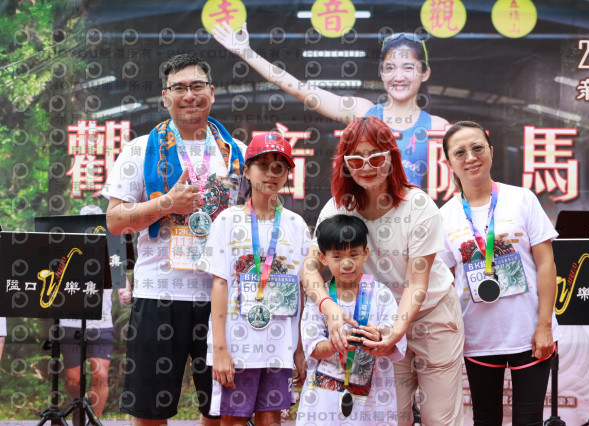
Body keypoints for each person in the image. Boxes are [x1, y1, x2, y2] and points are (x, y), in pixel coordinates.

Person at [103, 53, 246, 426]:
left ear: (212, 92)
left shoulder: (237, 153)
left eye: (197, 86)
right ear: (165, 97)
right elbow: (114, 221)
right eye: (179, 87)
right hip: (158, 293)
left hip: (221, 296)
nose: (189, 95)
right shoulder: (139, 149)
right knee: (149, 413)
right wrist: (167, 203)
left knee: (220, 411)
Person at [302, 116, 464, 426]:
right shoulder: (339, 207)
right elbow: (310, 268)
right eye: (356, 160)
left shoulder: (418, 206)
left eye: (376, 157)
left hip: (431, 315)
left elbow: (417, 283)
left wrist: (396, 333)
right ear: (344, 164)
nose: (367, 166)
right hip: (378, 322)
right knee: (392, 415)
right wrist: (330, 309)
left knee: (439, 418)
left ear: (392, 157)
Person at [211, 23, 447, 187]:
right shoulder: (363, 112)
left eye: (408, 67)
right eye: (390, 67)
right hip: (366, 225)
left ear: (425, 73)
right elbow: (298, 88)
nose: (398, 76)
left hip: (415, 227)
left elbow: (462, 179)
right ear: (382, 73)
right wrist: (246, 52)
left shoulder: (437, 127)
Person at [438, 121, 558, 425]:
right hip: (477, 336)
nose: (471, 157)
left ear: (491, 152)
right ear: (449, 162)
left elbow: (546, 264)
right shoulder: (445, 216)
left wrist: (544, 325)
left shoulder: (522, 199)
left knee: (529, 421)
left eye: (477, 148)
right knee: (485, 419)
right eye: (460, 152)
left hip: (530, 332)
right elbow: (444, 282)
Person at [198, 133, 309, 426]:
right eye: (263, 165)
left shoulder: (296, 225)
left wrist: (299, 349)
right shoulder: (227, 220)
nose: (271, 173)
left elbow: (300, 289)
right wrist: (220, 349)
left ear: (287, 174)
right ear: (246, 171)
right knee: (233, 419)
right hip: (237, 344)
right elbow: (219, 284)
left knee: (271, 419)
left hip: (279, 345)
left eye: (279, 167)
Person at [296, 214, 406, 425]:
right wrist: (338, 344)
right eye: (337, 256)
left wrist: (379, 341)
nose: (346, 263)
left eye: (353, 254)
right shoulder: (320, 300)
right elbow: (312, 348)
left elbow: (394, 345)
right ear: (323, 258)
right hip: (323, 402)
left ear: (365, 253)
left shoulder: (382, 296)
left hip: (373, 403)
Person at [59, 204, 113, 425]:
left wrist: (126, 291)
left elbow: (121, 279)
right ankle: (78, 409)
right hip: (70, 322)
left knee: (100, 375)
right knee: (73, 379)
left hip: (102, 322)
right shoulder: (66, 251)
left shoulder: (113, 249)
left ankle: (94, 420)